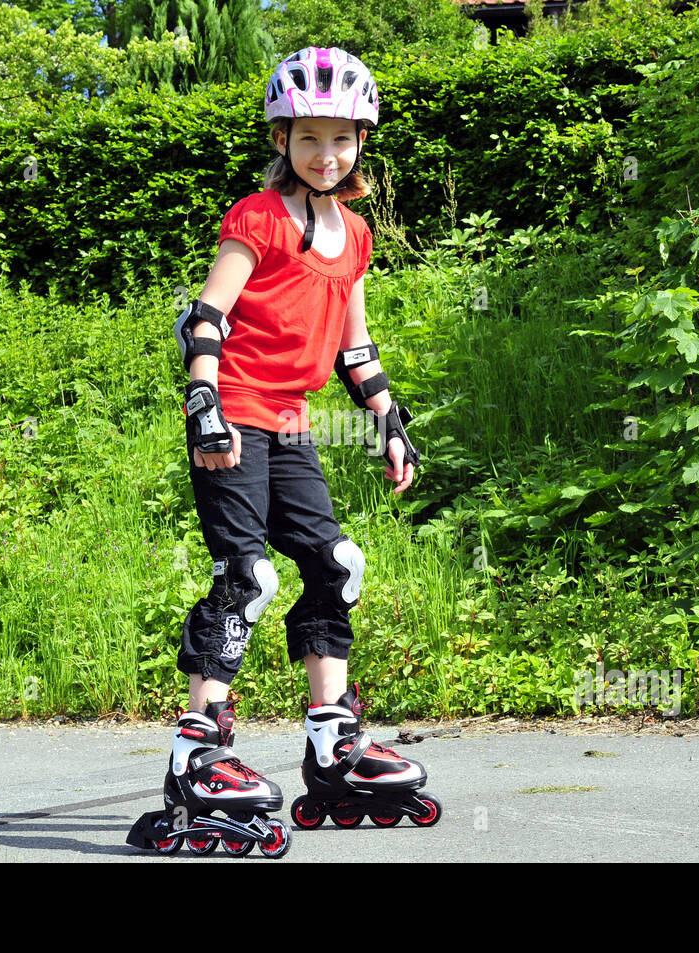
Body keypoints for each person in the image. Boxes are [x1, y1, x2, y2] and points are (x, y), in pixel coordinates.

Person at [127, 47, 439, 858]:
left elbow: (354, 345)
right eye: (308, 137)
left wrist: (388, 418)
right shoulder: (257, 217)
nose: (324, 154)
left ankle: (333, 745)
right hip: (232, 413)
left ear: (361, 141)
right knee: (250, 575)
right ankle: (197, 752)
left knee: (338, 561)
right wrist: (203, 404)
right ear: (283, 136)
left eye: (340, 138)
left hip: (293, 423)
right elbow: (206, 317)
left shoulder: (358, 234)